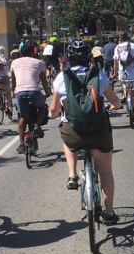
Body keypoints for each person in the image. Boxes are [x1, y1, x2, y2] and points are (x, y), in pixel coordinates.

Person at [50, 41, 122, 224]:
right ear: (89, 58)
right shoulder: (99, 75)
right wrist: (115, 106)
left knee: (67, 140)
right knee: (106, 172)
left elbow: (54, 111)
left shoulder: (61, 78)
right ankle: (110, 213)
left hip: (73, 131)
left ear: (68, 59)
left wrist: (54, 115)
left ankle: (72, 174)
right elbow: (115, 101)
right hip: (98, 131)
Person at [10, 41, 51, 154]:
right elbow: (43, 80)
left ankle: (21, 144)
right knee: (42, 107)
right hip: (34, 91)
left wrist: (14, 91)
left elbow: (13, 81)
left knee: (23, 116)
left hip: (20, 92)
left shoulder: (14, 63)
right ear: (33, 52)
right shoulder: (39, 63)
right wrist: (47, 93)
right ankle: (37, 125)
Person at [114, 31, 134, 117]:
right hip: (133, 72)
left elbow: (115, 62)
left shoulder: (117, 47)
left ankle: (125, 95)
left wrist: (115, 73)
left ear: (120, 39)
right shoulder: (133, 46)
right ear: (128, 38)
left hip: (123, 72)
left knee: (124, 85)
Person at [0, 46, 14, 118]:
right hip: (3, 78)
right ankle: (7, 107)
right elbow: (11, 69)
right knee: (8, 92)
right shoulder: (5, 59)